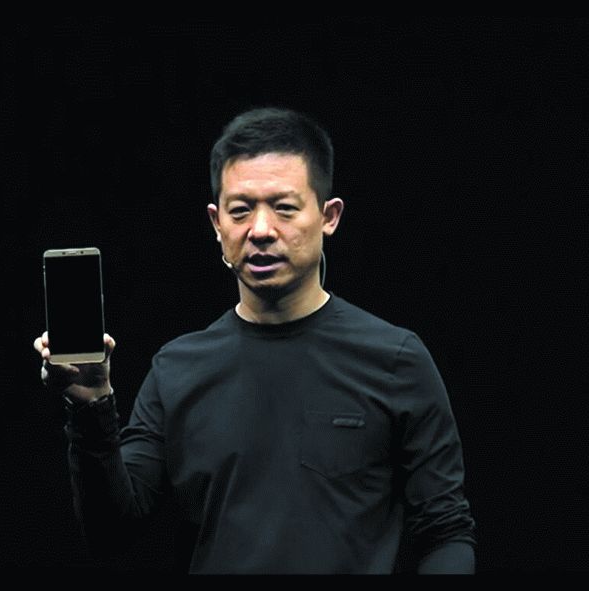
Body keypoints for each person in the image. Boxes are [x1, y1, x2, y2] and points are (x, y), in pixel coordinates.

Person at [33, 107, 476, 574]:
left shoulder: (394, 359)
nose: (261, 230)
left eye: (284, 208)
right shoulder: (177, 369)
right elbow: (111, 533)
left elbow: (444, 531)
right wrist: (91, 406)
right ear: (216, 223)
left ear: (329, 216)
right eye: (240, 210)